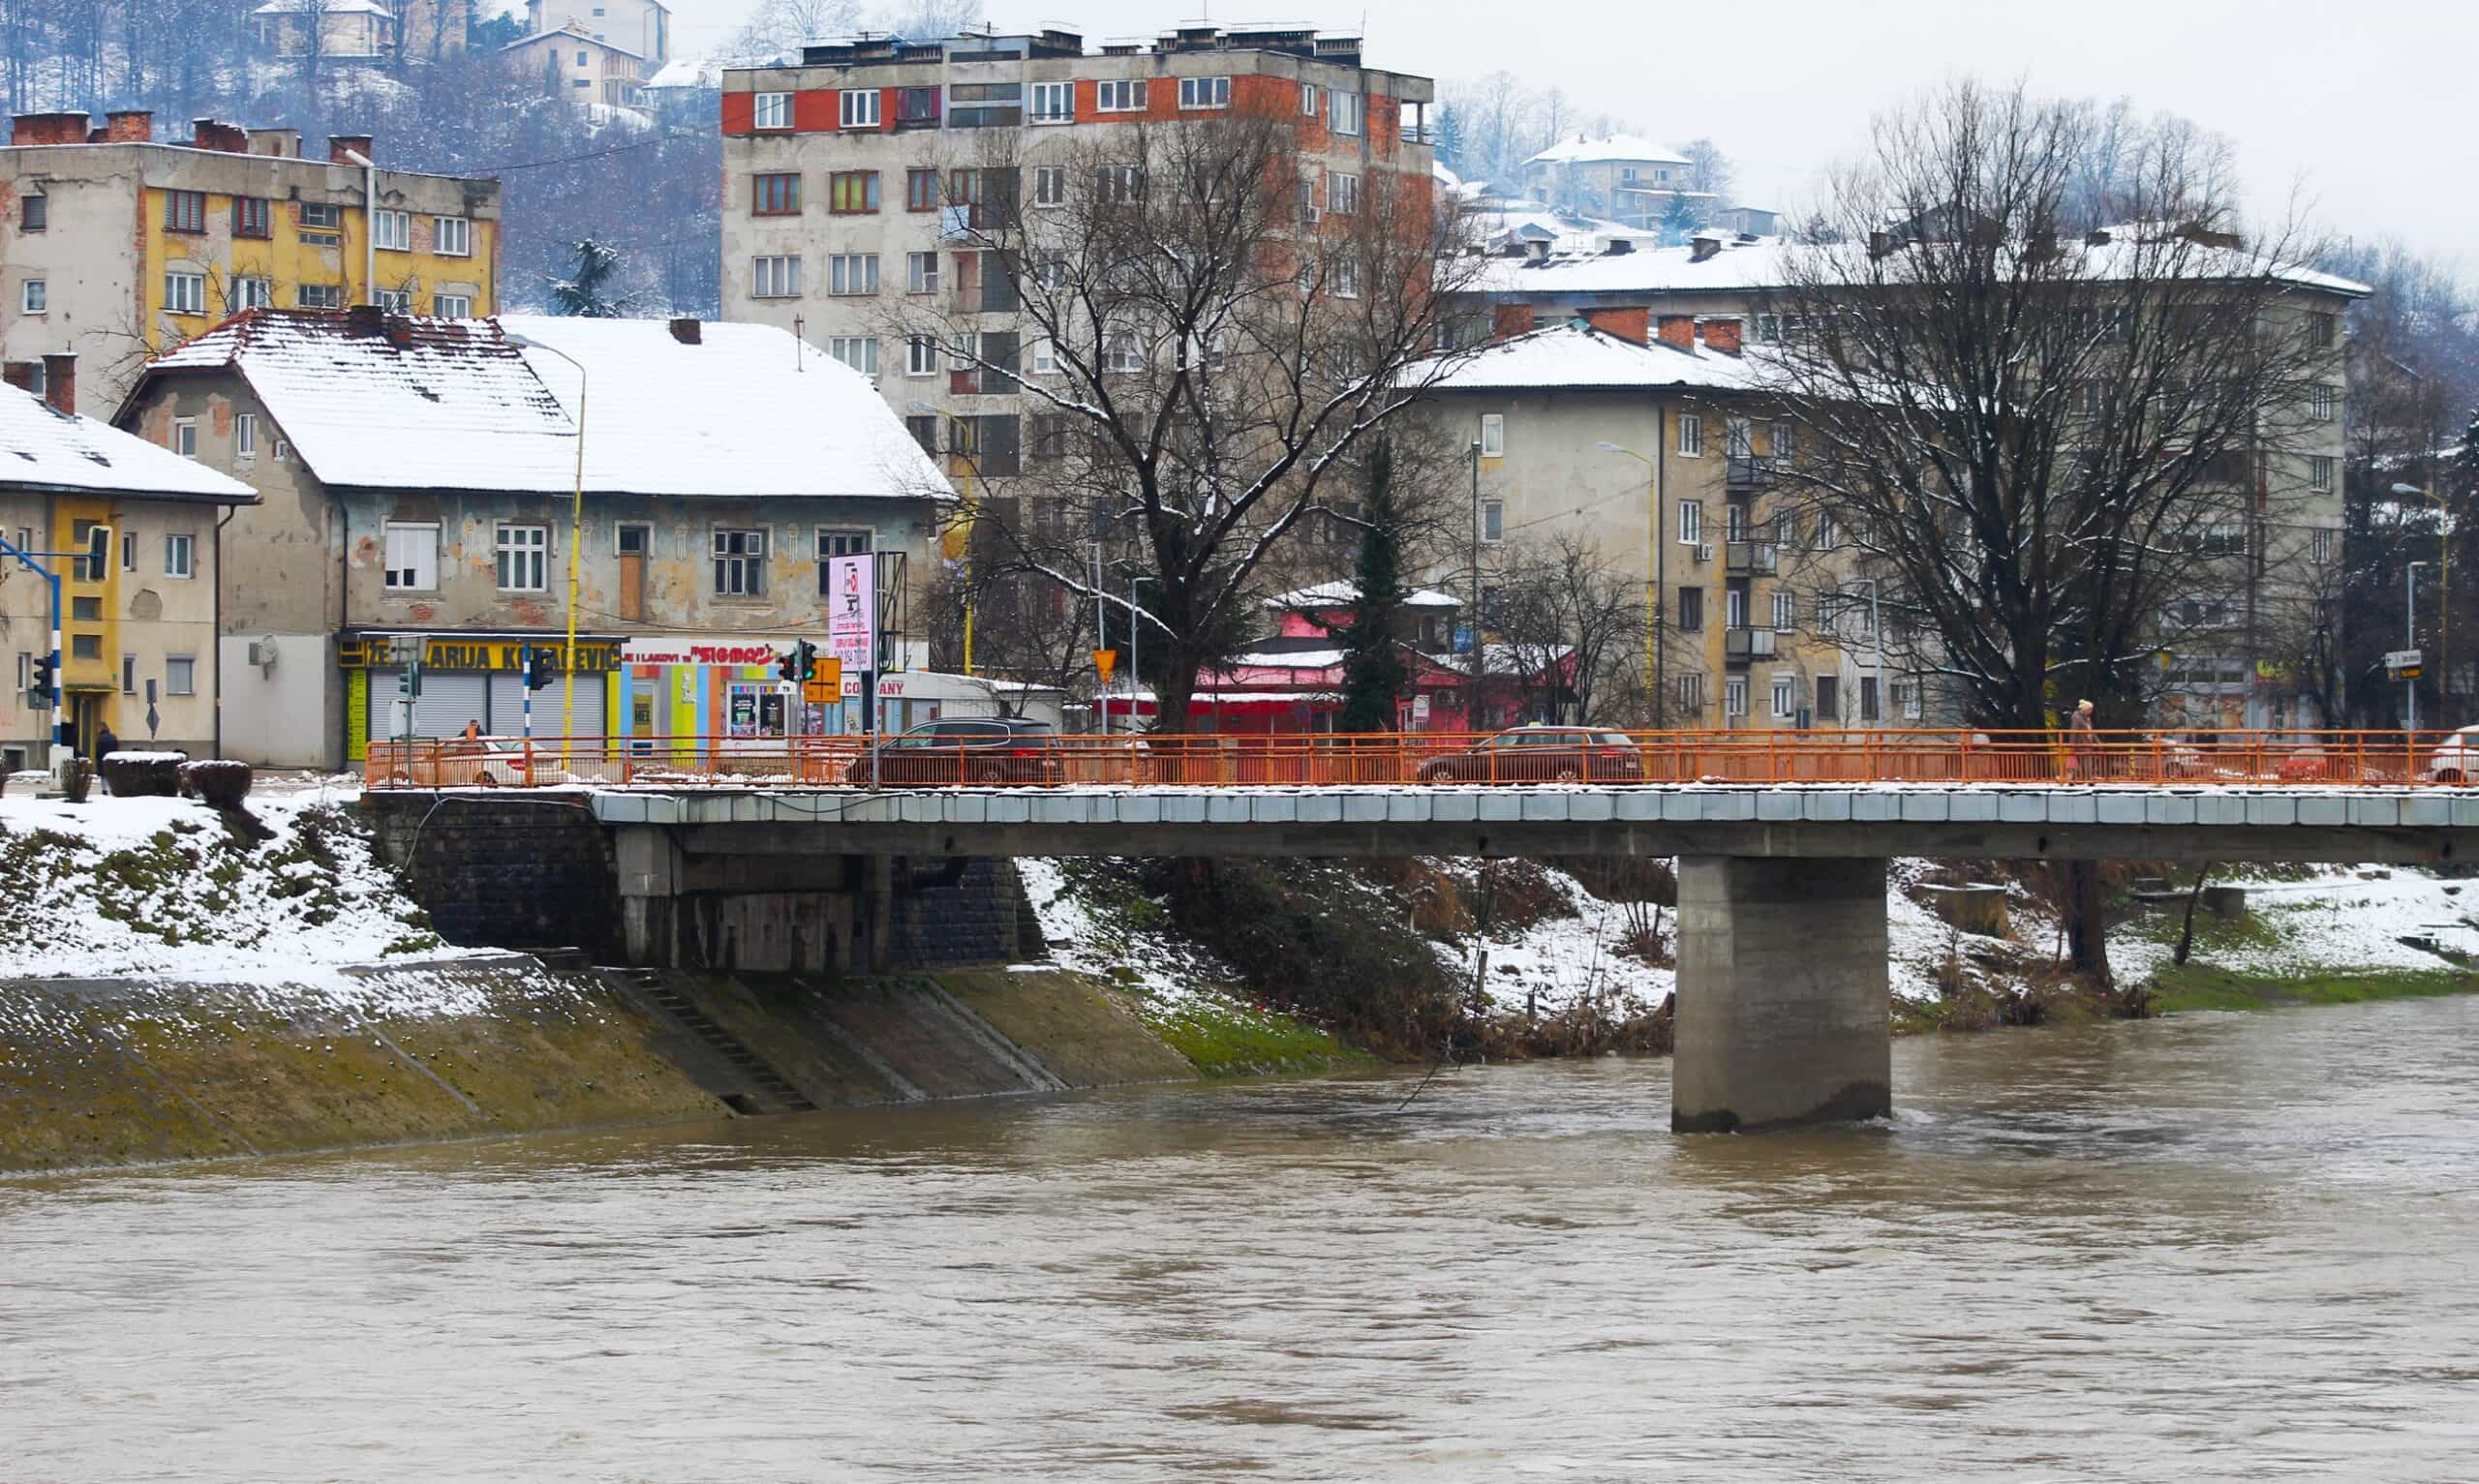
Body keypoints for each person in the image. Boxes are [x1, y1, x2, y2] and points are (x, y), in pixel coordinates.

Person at [2067, 699, 2097, 781]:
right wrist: (2072, 745)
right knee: (2076, 762)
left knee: (2086, 762)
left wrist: (2098, 742)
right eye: (2089, 710)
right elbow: (2073, 732)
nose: (2091, 711)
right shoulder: (2076, 717)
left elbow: (2091, 731)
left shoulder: (2087, 718)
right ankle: (2073, 779)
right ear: (2085, 709)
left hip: (2087, 744)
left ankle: (2087, 778)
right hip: (2080, 743)